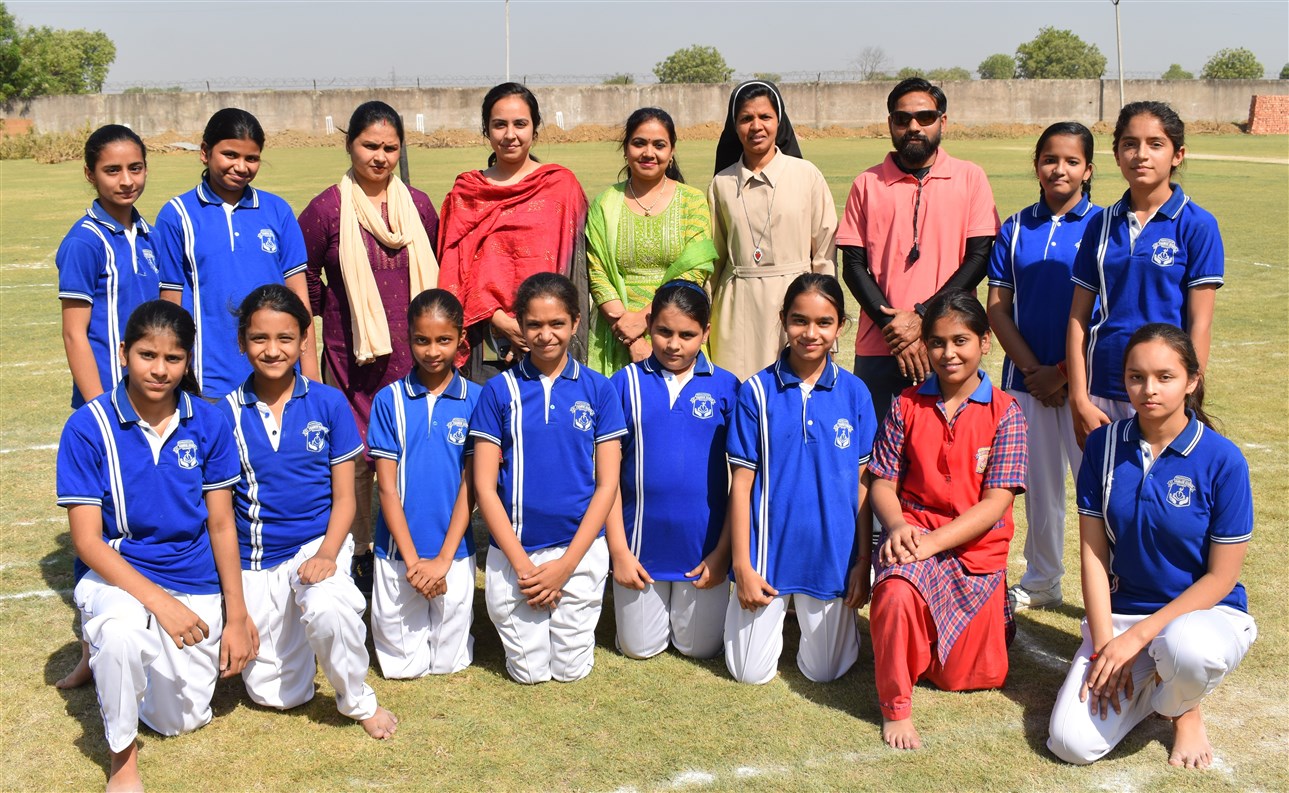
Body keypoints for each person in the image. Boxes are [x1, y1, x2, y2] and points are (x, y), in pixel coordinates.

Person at [55, 300, 257, 792]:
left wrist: (236, 614)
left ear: (188, 361)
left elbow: (222, 525)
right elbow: (86, 541)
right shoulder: (88, 426)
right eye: (147, 355)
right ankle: (122, 762)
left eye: (173, 358)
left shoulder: (209, 421)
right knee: (122, 635)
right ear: (123, 352)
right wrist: (160, 604)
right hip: (119, 574)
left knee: (178, 720)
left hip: (193, 578)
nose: (159, 369)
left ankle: (107, 656)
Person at [1047, 324, 1255, 769]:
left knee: (1187, 650)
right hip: (1124, 618)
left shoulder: (1223, 459)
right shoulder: (1102, 445)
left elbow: (1222, 577)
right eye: (1136, 377)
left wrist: (1139, 639)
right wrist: (1106, 646)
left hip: (1204, 617)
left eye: (1165, 377)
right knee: (1070, 744)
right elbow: (1093, 556)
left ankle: (1183, 708)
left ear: (1192, 381)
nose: (1149, 389)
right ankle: (1159, 684)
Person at [216, 285, 396, 739]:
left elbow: (346, 498)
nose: (272, 350)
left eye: (285, 338)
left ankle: (357, 699)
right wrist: (235, 607)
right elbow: (220, 515)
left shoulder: (328, 403)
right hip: (257, 560)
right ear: (241, 342)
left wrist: (328, 554)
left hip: (316, 544)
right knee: (279, 696)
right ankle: (294, 634)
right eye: (259, 338)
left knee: (329, 607)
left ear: (303, 341)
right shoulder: (223, 414)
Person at [867, 288, 1028, 750]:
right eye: (937, 342)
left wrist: (934, 543)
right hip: (914, 539)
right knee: (895, 592)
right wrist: (899, 527)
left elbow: (995, 504)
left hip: (974, 555)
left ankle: (990, 620)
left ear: (984, 342)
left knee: (967, 677)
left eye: (961, 341)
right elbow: (881, 483)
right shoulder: (905, 404)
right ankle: (896, 706)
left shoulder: (1007, 413)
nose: (948, 353)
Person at [298, 100, 441, 590]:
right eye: (370, 146)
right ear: (349, 145)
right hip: (352, 359)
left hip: (415, 356)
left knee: (413, 454)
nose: (380, 157)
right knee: (356, 459)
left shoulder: (419, 206)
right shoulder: (325, 209)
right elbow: (303, 281)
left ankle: (413, 544)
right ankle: (360, 550)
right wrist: (343, 310)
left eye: (390, 148)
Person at [469, 272, 625, 684]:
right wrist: (523, 567)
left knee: (570, 670)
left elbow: (607, 484)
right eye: (534, 324)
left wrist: (566, 566)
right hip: (516, 552)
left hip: (580, 550)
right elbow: (484, 486)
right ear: (520, 325)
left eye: (557, 323)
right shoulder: (498, 390)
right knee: (529, 672)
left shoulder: (599, 390)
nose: (545, 335)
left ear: (576, 322)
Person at [724, 273, 877, 684]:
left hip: (831, 555)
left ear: (840, 326)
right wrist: (742, 565)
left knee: (825, 673)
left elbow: (863, 485)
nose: (811, 333)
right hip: (766, 554)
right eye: (799, 320)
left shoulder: (855, 393)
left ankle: (827, 620)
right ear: (783, 320)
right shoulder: (756, 391)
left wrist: (862, 561)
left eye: (824, 322)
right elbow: (741, 485)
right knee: (748, 673)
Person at [54, 124, 161, 690]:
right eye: (112, 170)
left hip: (157, 398)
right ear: (90, 174)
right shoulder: (84, 241)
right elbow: (76, 333)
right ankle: (90, 650)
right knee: (97, 522)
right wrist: (101, 409)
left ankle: (153, 630)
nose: (126, 180)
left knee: (147, 512)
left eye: (135, 168)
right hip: (108, 406)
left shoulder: (149, 233)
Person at [986, 122, 1102, 612]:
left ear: (1088, 170)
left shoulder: (1105, 226)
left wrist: (1065, 373)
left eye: (1072, 161)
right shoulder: (1015, 227)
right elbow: (997, 308)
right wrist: (1037, 372)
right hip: (1027, 383)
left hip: (1089, 384)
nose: (1060, 169)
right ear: (1036, 165)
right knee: (1039, 488)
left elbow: (1106, 313)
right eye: (1050, 159)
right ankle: (1041, 580)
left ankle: (1117, 586)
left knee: (1100, 486)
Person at [837, 77, 1000, 424]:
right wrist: (894, 327)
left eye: (925, 117)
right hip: (881, 344)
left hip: (949, 343)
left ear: (943, 121)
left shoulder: (970, 177)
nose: (913, 127)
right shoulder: (866, 183)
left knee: (949, 448)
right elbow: (852, 266)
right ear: (890, 124)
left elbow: (979, 257)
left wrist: (924, 317)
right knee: (878, 449)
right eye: (902, 119)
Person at [1067, 102, 1223, 447]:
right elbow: (1078, 317)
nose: (1141, 154)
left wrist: (1186, 392)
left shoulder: (1198, 224)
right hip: (1101, 388)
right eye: (1129, 144)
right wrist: (1079, 396)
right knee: (1100, 482)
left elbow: (1200, 323)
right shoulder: (1099, 224)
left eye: (1155, 144)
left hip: (1163, 392)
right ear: (1116, 154)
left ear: (1178, 154)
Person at [606, 281, 738, 660]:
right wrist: (619, 552)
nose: (674, 344)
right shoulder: (624, 384)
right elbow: (607, 479)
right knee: (639, 648)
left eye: (687, 335)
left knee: (699, 649)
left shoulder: (727, 387)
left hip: (703, 552)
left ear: (706, 333)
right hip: (639, 550)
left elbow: (743, 481)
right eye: (664, 331)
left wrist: (722, 554)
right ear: (649, 325)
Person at [155, 108, 316, 398]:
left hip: (277, 376)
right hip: (207, 382)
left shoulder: (278, 211)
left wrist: (311, 378)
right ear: (205, 152)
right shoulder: (177, 215)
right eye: (230, 155)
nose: (241, 167)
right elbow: (170, 303)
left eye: (251, 158)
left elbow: (300, 301)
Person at [437, 83, 589, 383]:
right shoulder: (467, 193)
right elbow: (455, 272)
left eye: (520, 124)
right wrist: (502, 322)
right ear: (486, 130)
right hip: (483, 339)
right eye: (499, 125)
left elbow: (575, 270)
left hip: (549, 339)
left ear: (535, 128)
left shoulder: (561, 187)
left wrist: (538, 326)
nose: (510, 135)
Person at [367, 289, 480, 678]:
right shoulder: (389, 400)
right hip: (398, 553)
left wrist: (443, 560)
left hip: (454, 553)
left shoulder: (477, 400)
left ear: (461, 338)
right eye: (422, 340)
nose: (433, 351)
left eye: (444, 340)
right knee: (402, 668)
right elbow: (386, 489)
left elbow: (472, 486)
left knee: (449, 664)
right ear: (408, 338)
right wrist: (414, 562)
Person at [707, 80, 837, 381]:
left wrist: (825, 321)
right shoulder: (721, 184)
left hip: (797, 302)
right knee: (738, 393)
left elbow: (824, 254)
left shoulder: (807, 176)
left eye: (765, 117)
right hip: (736, 309)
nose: (756, 126)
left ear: (779, 121)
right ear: (734, 126)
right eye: (746, 118)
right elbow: (713, 262)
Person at [586, 108, 716, 374]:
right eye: (639, 143)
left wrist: (647, 322)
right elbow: (597, 273)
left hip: (678, 332)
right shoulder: (604, 204)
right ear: (626, 149)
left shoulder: (692, 202)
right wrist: (631, 338)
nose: (648, 153)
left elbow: (695, 272)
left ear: (672, 151)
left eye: (659, 145)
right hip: (617, 334)